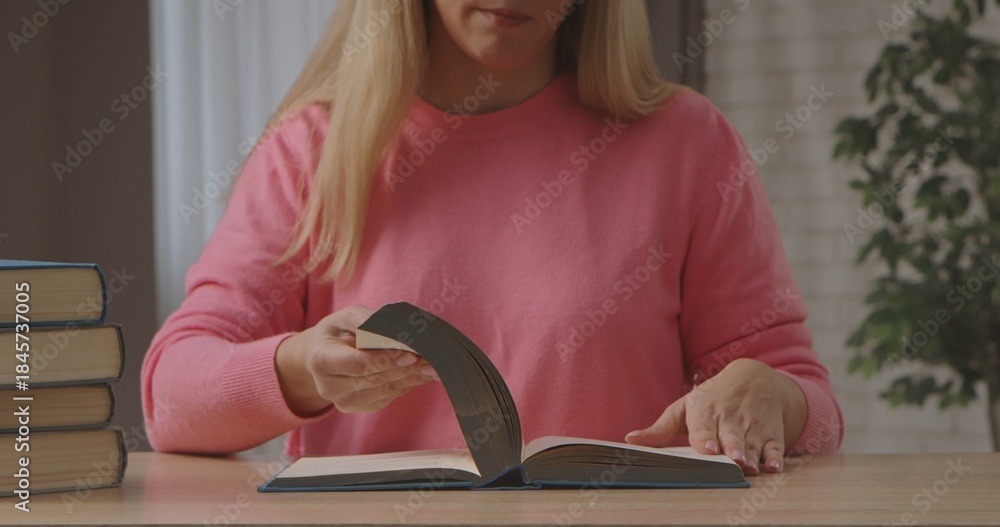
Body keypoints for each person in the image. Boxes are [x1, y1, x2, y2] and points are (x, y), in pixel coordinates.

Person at [141, 0, 843, 477]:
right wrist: (299, 367)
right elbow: (170, 399)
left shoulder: (688, 145)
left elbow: (811, 406)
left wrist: (772, 395)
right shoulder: (312, 152)